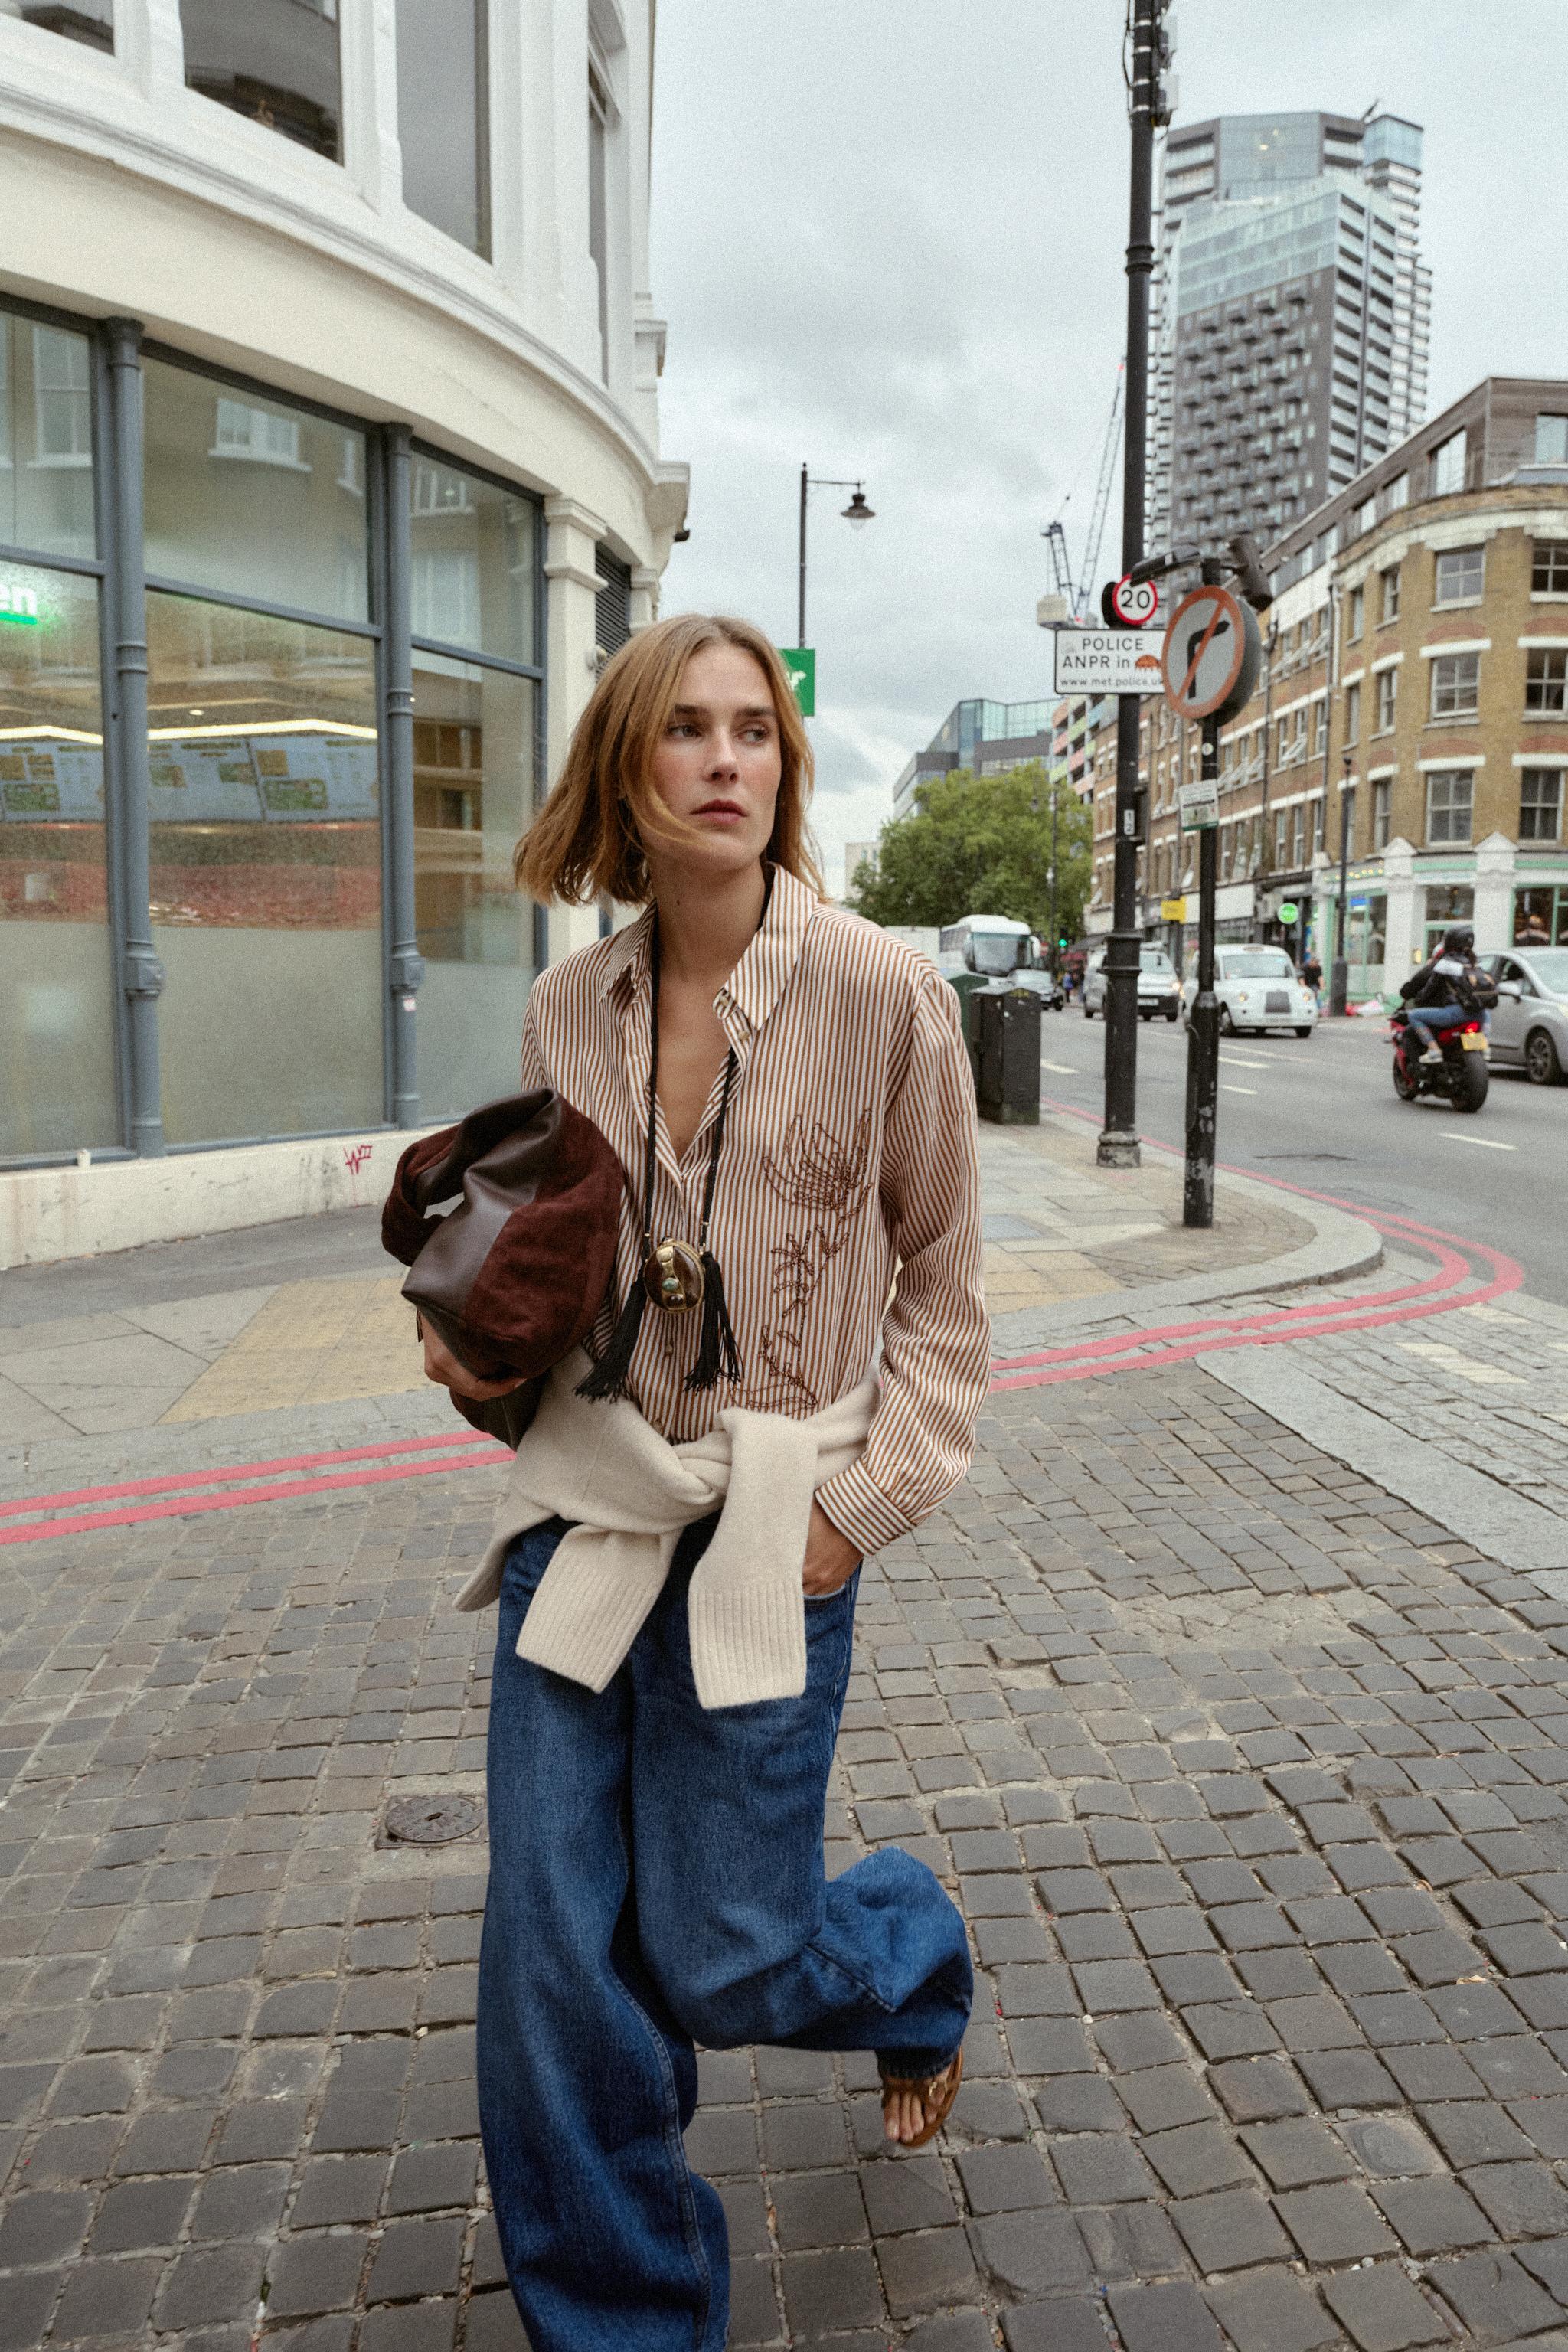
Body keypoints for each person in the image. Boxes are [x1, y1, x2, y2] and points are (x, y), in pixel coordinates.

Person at [419, 612, 990, 2352]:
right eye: (687, 729)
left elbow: (948, 1300)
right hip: (589, 1511)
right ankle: (627, 2312)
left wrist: (849, 1513)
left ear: (785, 772)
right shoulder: (559, 1006)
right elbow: (540, 1269)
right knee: (547, 1944)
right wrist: (471, 1355)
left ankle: (907, 1949)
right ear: (629, 767)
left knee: (725, 1952)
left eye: (755, 731)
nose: (727, 757)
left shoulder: (886, 993)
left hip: (769, 1522)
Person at [1398, 923, 1497, 1062]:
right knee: (1486, 1013)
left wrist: (1419, 1001)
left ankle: (1434, 1050)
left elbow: (1429, 989)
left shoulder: (1445, 964)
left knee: (1414, 1016)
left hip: (1455, 1014)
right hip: (1480, 1014)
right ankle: (1484, 1046)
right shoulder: (1475, 964)